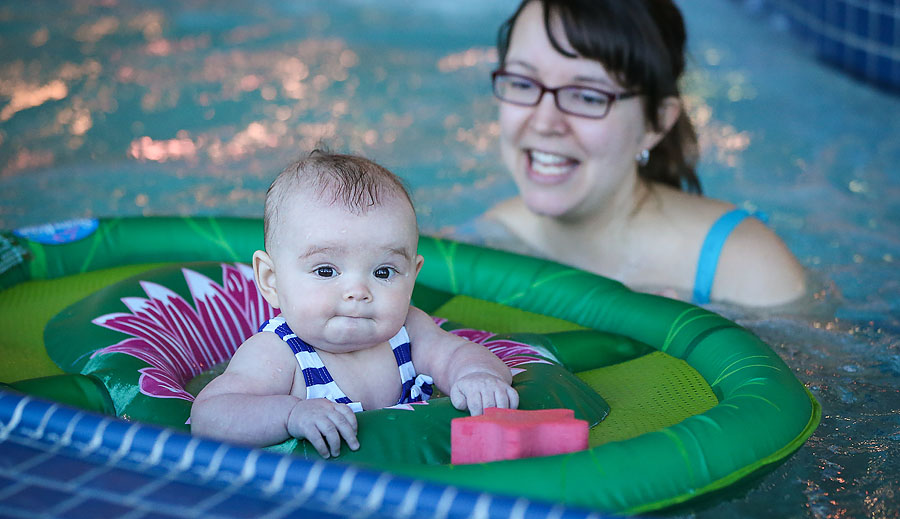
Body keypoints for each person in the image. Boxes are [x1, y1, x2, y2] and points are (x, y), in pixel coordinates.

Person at [471, 0, 805, 307]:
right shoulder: (495, 237)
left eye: (588, 96)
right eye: (523, 83)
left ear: (656, 122)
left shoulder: (746, 267)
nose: (544, 122)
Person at [191, 150, 518, 458]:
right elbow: (210, 416)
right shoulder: (276, 354)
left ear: (412, 277)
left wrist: (477, 376)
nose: (358, 291)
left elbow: (459, 355)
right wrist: (290, 414)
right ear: (271, 280)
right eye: (325, 270)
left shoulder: (409, 332)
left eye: (383, 272)